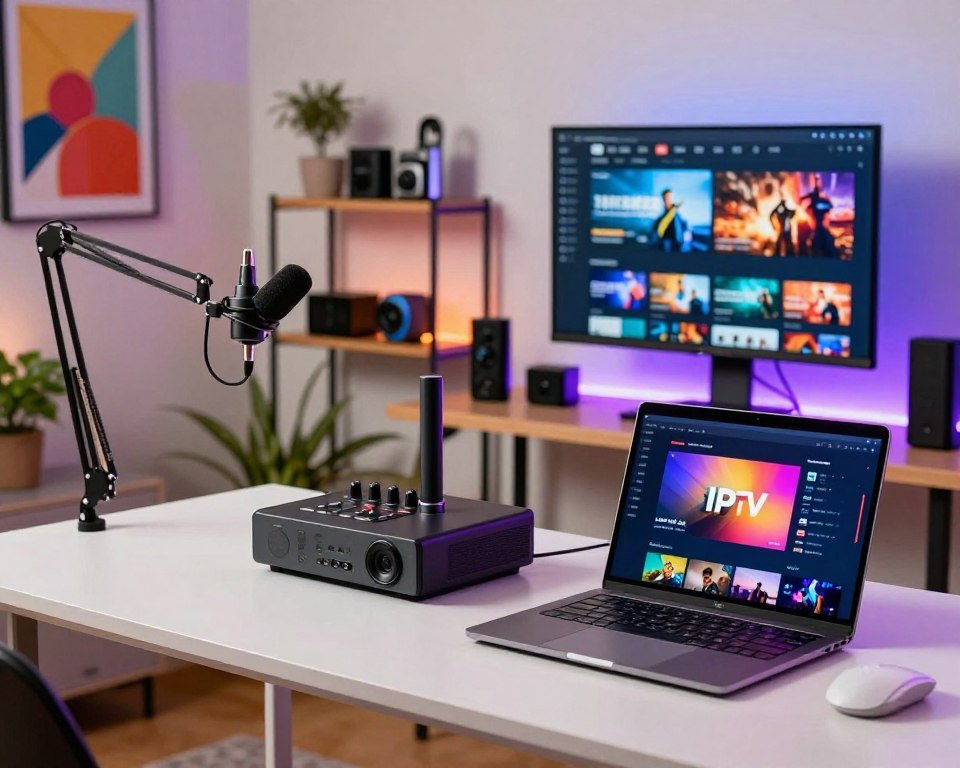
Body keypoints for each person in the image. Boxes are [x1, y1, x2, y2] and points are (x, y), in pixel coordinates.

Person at [800, 175, 838, 258]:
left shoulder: (821, 202)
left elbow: (829, 206)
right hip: (817, 228)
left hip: (821, 228)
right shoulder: (814, 204)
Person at [770, 187, 797, 255]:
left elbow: (793, 213)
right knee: (779, 245)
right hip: (782, 230)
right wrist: (774, 226)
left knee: (789, 245)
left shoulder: (787, 210)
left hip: (787, 230)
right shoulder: (780, 209)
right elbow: (771, 215)